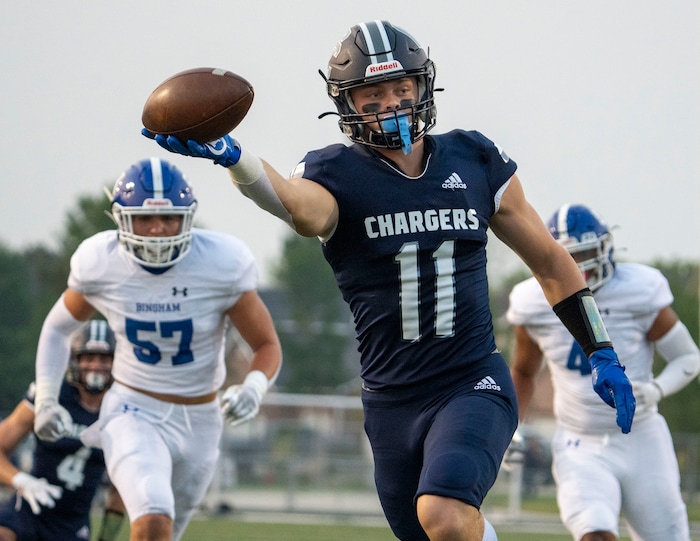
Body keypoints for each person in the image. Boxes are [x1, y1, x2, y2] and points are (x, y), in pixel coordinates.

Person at [144, 20, 635, 541]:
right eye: (374, 94)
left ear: (424, 86)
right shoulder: (335, 173)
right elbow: (303, 211)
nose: (394, 103)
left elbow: (552, 262)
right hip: (390, 401)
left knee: (443, 514)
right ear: (348, 104)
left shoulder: (475, 160)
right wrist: (235, 157)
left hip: (472, 381)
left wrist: (600, 348)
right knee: (436, 530)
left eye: (403, 88)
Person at [32, 157, 283, 541]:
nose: (158, 230)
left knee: (165, 531)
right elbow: (57, 329)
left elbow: (265, 345)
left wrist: (254, 387)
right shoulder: (100, 262)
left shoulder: (221, 263)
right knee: (152, 518)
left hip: (201, 419)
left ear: (189, 217)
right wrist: (47, 398)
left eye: (169, 218)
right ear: (121, 219)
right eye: (145, 219)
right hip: (135, 409)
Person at [506, 204, 699, 541]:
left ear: (605, 248)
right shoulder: (531, 302)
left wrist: (655, 389)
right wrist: (510, 427)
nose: (578, 268)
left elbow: (687, 358)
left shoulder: (639, 289)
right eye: (569, 257)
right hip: (580, 441)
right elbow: (523, 372)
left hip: (642, 437)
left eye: (585, 254)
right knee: (594, 533)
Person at [0, 320, 126, 541]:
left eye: (104, 358)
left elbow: (120, 490)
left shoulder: (122, 409)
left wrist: (106, 538)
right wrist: (21, 481)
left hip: (72, 524)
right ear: (74, 360)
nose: (96, 366)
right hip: (29, 508)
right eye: (88, 357)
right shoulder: (53, 394)